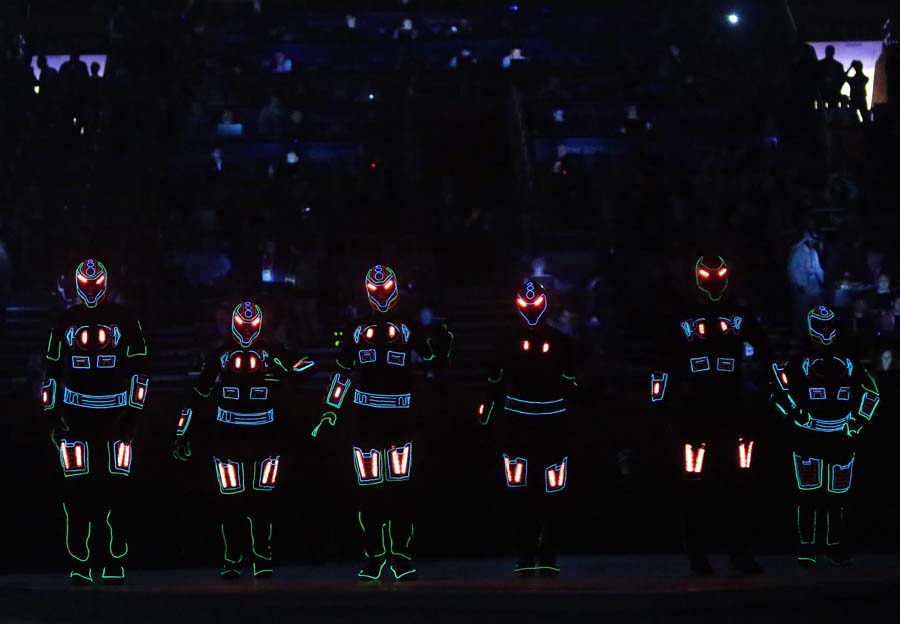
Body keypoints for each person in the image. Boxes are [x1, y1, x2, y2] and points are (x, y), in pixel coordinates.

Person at [311, 265, 452, 581]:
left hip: (400, 417)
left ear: (395, 291)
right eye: (375, 292)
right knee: (371, 491)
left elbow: (431, 360)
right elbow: (342, 371)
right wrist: (331, 408)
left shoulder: (409, 327)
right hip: (366, 419)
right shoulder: (356, 329)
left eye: (386, 291)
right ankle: (375, 555)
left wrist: (440, 345)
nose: (381, 298)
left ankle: (400, 554)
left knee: (400, 489)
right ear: (367, 293)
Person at [173, 301, 314, 578]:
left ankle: (261, 558)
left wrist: (284, 372)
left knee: (262, 502)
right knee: (231, 502)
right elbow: (196, 396)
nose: (246, 330)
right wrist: (182, 432)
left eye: (251, 325)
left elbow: (307, 365)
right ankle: (233, 559)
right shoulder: (220, 354)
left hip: (265, 438)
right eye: (242, 325)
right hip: (228, 438)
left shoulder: (271, 351)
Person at [650, 256, 770, 575]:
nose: (713, 280)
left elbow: (768, 354)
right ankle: (699, 553)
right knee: (695, 482)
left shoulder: (739, 316)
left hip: (730, 407)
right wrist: (658, 400)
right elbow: (663, 361)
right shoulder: (684, 317)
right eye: (708, 275)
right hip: (698, 409)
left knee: (738, 480)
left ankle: (738, 551)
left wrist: (776, 388)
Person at [41, 260, 149, 584]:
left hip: (116, 418)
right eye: (84, 285)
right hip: (74, 417)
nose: (90, 291)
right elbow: (51, 373)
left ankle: (115, 559)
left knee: (118, 490)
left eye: (95, 284)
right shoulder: (64, 320)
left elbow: (140, 371)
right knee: (77, 492)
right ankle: (80, 562)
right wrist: (53, 416)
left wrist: (133, 413)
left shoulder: (126, 319)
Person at [477, 280, 578, 575]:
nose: (531, 310)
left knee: (553, 492)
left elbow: (574, 383)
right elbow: (492, 384)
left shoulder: (562, 343)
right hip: (517, 427)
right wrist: (484, 417)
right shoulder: (505, 342)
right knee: (518, 493)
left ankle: (547, 553)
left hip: (552, 426)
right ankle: (524, 554)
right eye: (525, 303)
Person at [770, 306, 880, 567]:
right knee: (808, 495)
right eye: (820, 326)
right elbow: (778, 394)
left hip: (840, 435)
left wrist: (857, 421)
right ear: (811, 329)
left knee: (837, 498)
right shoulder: (797, 364)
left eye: (829, 326)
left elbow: (872, 393)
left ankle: (834, 545)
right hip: (808, 437)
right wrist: (797, 415)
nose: (825, 332)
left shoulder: (849, 364)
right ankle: (807, 546)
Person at [788, 231, 826, 343]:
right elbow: (792, 270)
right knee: (802, 314)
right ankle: (802, 338)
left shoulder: (813, 252)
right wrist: (800, 284)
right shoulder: (798, 253)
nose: (814, 243)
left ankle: (816, 335)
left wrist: (823, 280)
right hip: (802, 288)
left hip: (814, 288)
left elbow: (818, 268)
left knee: (818, 311)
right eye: (812, 241)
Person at [818, 45, 845, 110]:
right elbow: (842, 79)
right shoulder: (838, 65)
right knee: (833, 111)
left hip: (825, 92)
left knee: (822, 111)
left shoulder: (819, 64)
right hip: (831, 92)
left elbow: (816, 78)